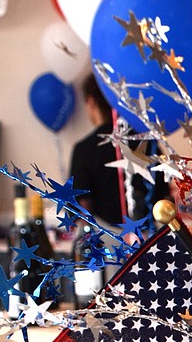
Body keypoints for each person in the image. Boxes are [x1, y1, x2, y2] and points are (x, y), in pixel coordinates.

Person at [70, 73, 170, 227]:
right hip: (151, 238)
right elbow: (165, 197)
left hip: (107, 243)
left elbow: (81, 210)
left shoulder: (84, 149)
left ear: (90, 101)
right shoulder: (148, 141)